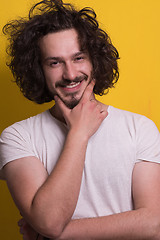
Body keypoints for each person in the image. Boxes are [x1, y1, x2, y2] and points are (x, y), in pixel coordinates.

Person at [1, 0, 160, 239]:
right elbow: (49, 220)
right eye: (55, 63)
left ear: (94, 60)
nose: (70, 74)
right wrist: (78, 133)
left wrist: (54, 234)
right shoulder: (17, 136)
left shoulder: (139, 128)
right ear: (38, 69)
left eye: (78, 58)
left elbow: (153, 225)